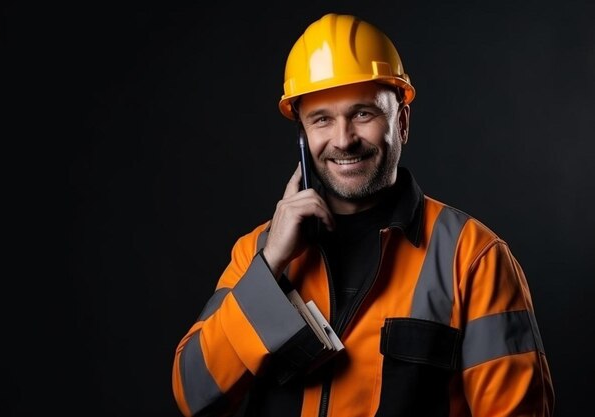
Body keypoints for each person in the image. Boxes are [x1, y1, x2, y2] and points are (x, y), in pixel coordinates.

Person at [171, 12, 555, 417]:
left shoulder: (474, 257)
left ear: (401, 122)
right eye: (322, 120)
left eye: (363, 114)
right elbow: (193, 395)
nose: (343, 140)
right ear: (303, 137)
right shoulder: (258, 252)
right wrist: (270, 267)